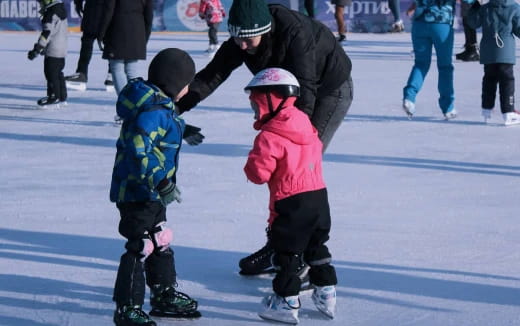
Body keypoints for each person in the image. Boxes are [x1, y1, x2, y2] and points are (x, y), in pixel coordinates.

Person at [175, 0, 353, 276]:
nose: (242, 46)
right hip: (290, 97)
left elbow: (305, 87)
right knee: (282, 176)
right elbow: (212, 75)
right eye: (237, 39)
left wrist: (286, 131)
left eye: (248, 40)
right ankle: (280, 246)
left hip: (329, 89)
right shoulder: (242, 38)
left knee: (299, 173)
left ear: (265, 30)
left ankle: (302, 258)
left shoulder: (294, 33)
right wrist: (174, 107)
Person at [110, 48, 201, 326]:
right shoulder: (152, 111)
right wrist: (161, 181)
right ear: (175, 84)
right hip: (138, 192)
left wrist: (183, 129)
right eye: (186, 85)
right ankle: (127, 307)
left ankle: (162, 293)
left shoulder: (158, 107)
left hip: (151, 193)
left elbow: (159, 125)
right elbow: (140, 148)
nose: (187, 90)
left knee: (160, 238)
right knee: (141, 245)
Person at [243, 68, 337, 324]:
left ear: (272, 99)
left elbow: (258, 174)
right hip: (319, 198)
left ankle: (285, 301)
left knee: (289, 254)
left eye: (256, 102)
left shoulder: (269, 136)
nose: (254, 108)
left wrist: (251, 161)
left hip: (291, 202)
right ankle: (326, 291)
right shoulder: (306, 124)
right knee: (316, 246)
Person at [466, 0, 520, 125]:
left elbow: (473, 23)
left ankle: (486, 109)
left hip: (488, 51)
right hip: (505, 50)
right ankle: (508, 111)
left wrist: (475, 6)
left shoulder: (485, 7)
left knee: (489, 79)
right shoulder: (514, 7)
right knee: (507, 80)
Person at [402, 0, 457, 120]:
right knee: (445, 67)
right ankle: (448, 107)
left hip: (419, 24)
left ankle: (409, 97)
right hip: (441, 24)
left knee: (421, 64)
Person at [98, 0, 153, 95]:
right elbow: (149, 17)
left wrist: (101, 34)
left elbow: (108, 11)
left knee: (116, 67)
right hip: (137, 32)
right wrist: (144, 38)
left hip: (117, 31)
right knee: (131, 69)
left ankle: (125, 99)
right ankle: (135, 98)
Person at [65, 0, 113, 92]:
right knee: (90, 41)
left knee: (107, 41)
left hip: (103, 10)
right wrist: (78, 3)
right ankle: (82, 73)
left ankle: (112, 74)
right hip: (97, 10)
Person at [27, 0, 68, 107]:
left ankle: (54, 96)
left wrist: (37, 49)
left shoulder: (50, 13)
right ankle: (62, 97)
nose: (39, 4)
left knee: (51, 73)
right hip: (62, 48)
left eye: (40, 2)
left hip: (53, 49)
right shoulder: (60, 9)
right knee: (58, 73)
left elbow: (47, 33)